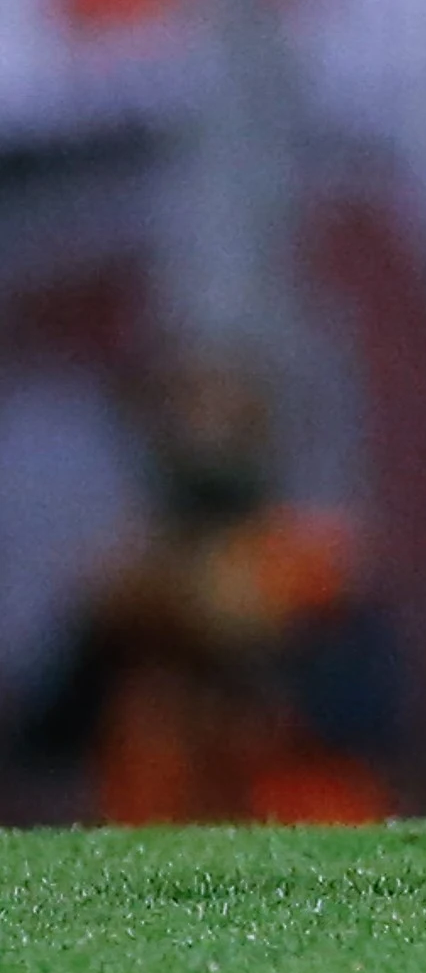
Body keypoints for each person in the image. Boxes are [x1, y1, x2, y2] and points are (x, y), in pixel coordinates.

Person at [17, 351, 398, 826]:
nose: (202, 438)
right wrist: (108, 629)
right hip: (156, 850)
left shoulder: (316, 566)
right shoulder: (130, 584)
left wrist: (260, 646)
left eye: (227, 420)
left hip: (308, 843)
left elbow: (370, 718)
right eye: (184, 418)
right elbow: (45, 736)